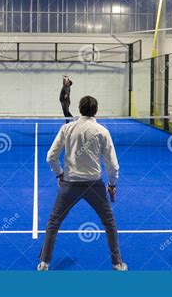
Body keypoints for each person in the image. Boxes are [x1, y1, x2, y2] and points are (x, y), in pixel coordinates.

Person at [37, 96, 127, 271]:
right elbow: (113, 165)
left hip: (69, 184)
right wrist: (112, 185)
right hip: (95, 185)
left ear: (79, 109)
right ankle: (117, 263)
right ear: (96, 110)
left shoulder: (67, 128)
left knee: (54, 222)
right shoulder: (102, 132)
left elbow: (50, 157)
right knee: (109, 222)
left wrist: (60, 175)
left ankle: (44, 263)